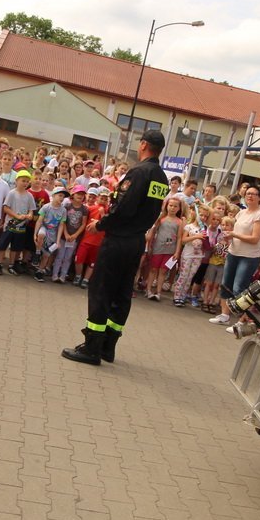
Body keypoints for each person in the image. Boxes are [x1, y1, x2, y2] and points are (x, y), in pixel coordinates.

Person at [62, 130, 168, 365]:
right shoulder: (161, 177)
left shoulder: (139, 172)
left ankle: (91, 348)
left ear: (143, 145)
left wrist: (100, 224)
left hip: (119, 239)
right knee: (121, 293)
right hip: (137, 240)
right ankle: (108, 346)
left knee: (101, 290)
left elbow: (123, 208)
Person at [210, 186, 260, 326]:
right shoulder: (241, 213)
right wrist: (229, 237)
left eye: (254, 194)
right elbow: (235, 232)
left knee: (239, 288)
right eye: (248, 193)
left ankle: (243, 320)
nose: (250, 196)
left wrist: (234, 234)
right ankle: (224, 314)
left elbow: (254, 238)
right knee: (226, 285)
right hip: (233, 252)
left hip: (249, 256)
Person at [0, 170, 37, 275]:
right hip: (9, 226)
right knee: (3, 246)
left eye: (27, 181)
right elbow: (6, 208)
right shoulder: (12, 193)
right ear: (16, 181)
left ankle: (11, 265)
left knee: (15, 248)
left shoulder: (29, 196)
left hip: (21, 228)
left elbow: (31, 209)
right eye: (23, 181)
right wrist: (17, 216)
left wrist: (29, 215)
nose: (25, 183)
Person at [145, 197, 184, 301]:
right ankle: (148, 290)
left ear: (179, 208)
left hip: (170, 251)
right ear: (166, 206)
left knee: (163, 271)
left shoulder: (180, 222)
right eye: (170, 205)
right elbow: (152, 233)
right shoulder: (160, 219)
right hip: (157, 248)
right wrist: (149, 246)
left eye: (175, 206)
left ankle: (158, 292)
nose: (172, 208)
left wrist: (177, 252)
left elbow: (180, 237)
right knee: (153, 269)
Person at [33, 186, 68, 282]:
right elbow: (39, 221)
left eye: (63, 196)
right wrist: (34, 234)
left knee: (47, 255)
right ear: (54, 195)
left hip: (53, 233)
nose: (61, 198)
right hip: (45, 228)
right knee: (41, 234)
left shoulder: (63, 210)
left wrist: (58, 240)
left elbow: (61, 225)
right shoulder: (46, 207)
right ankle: (37, 253)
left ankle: (40, 271)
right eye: (60, 195)